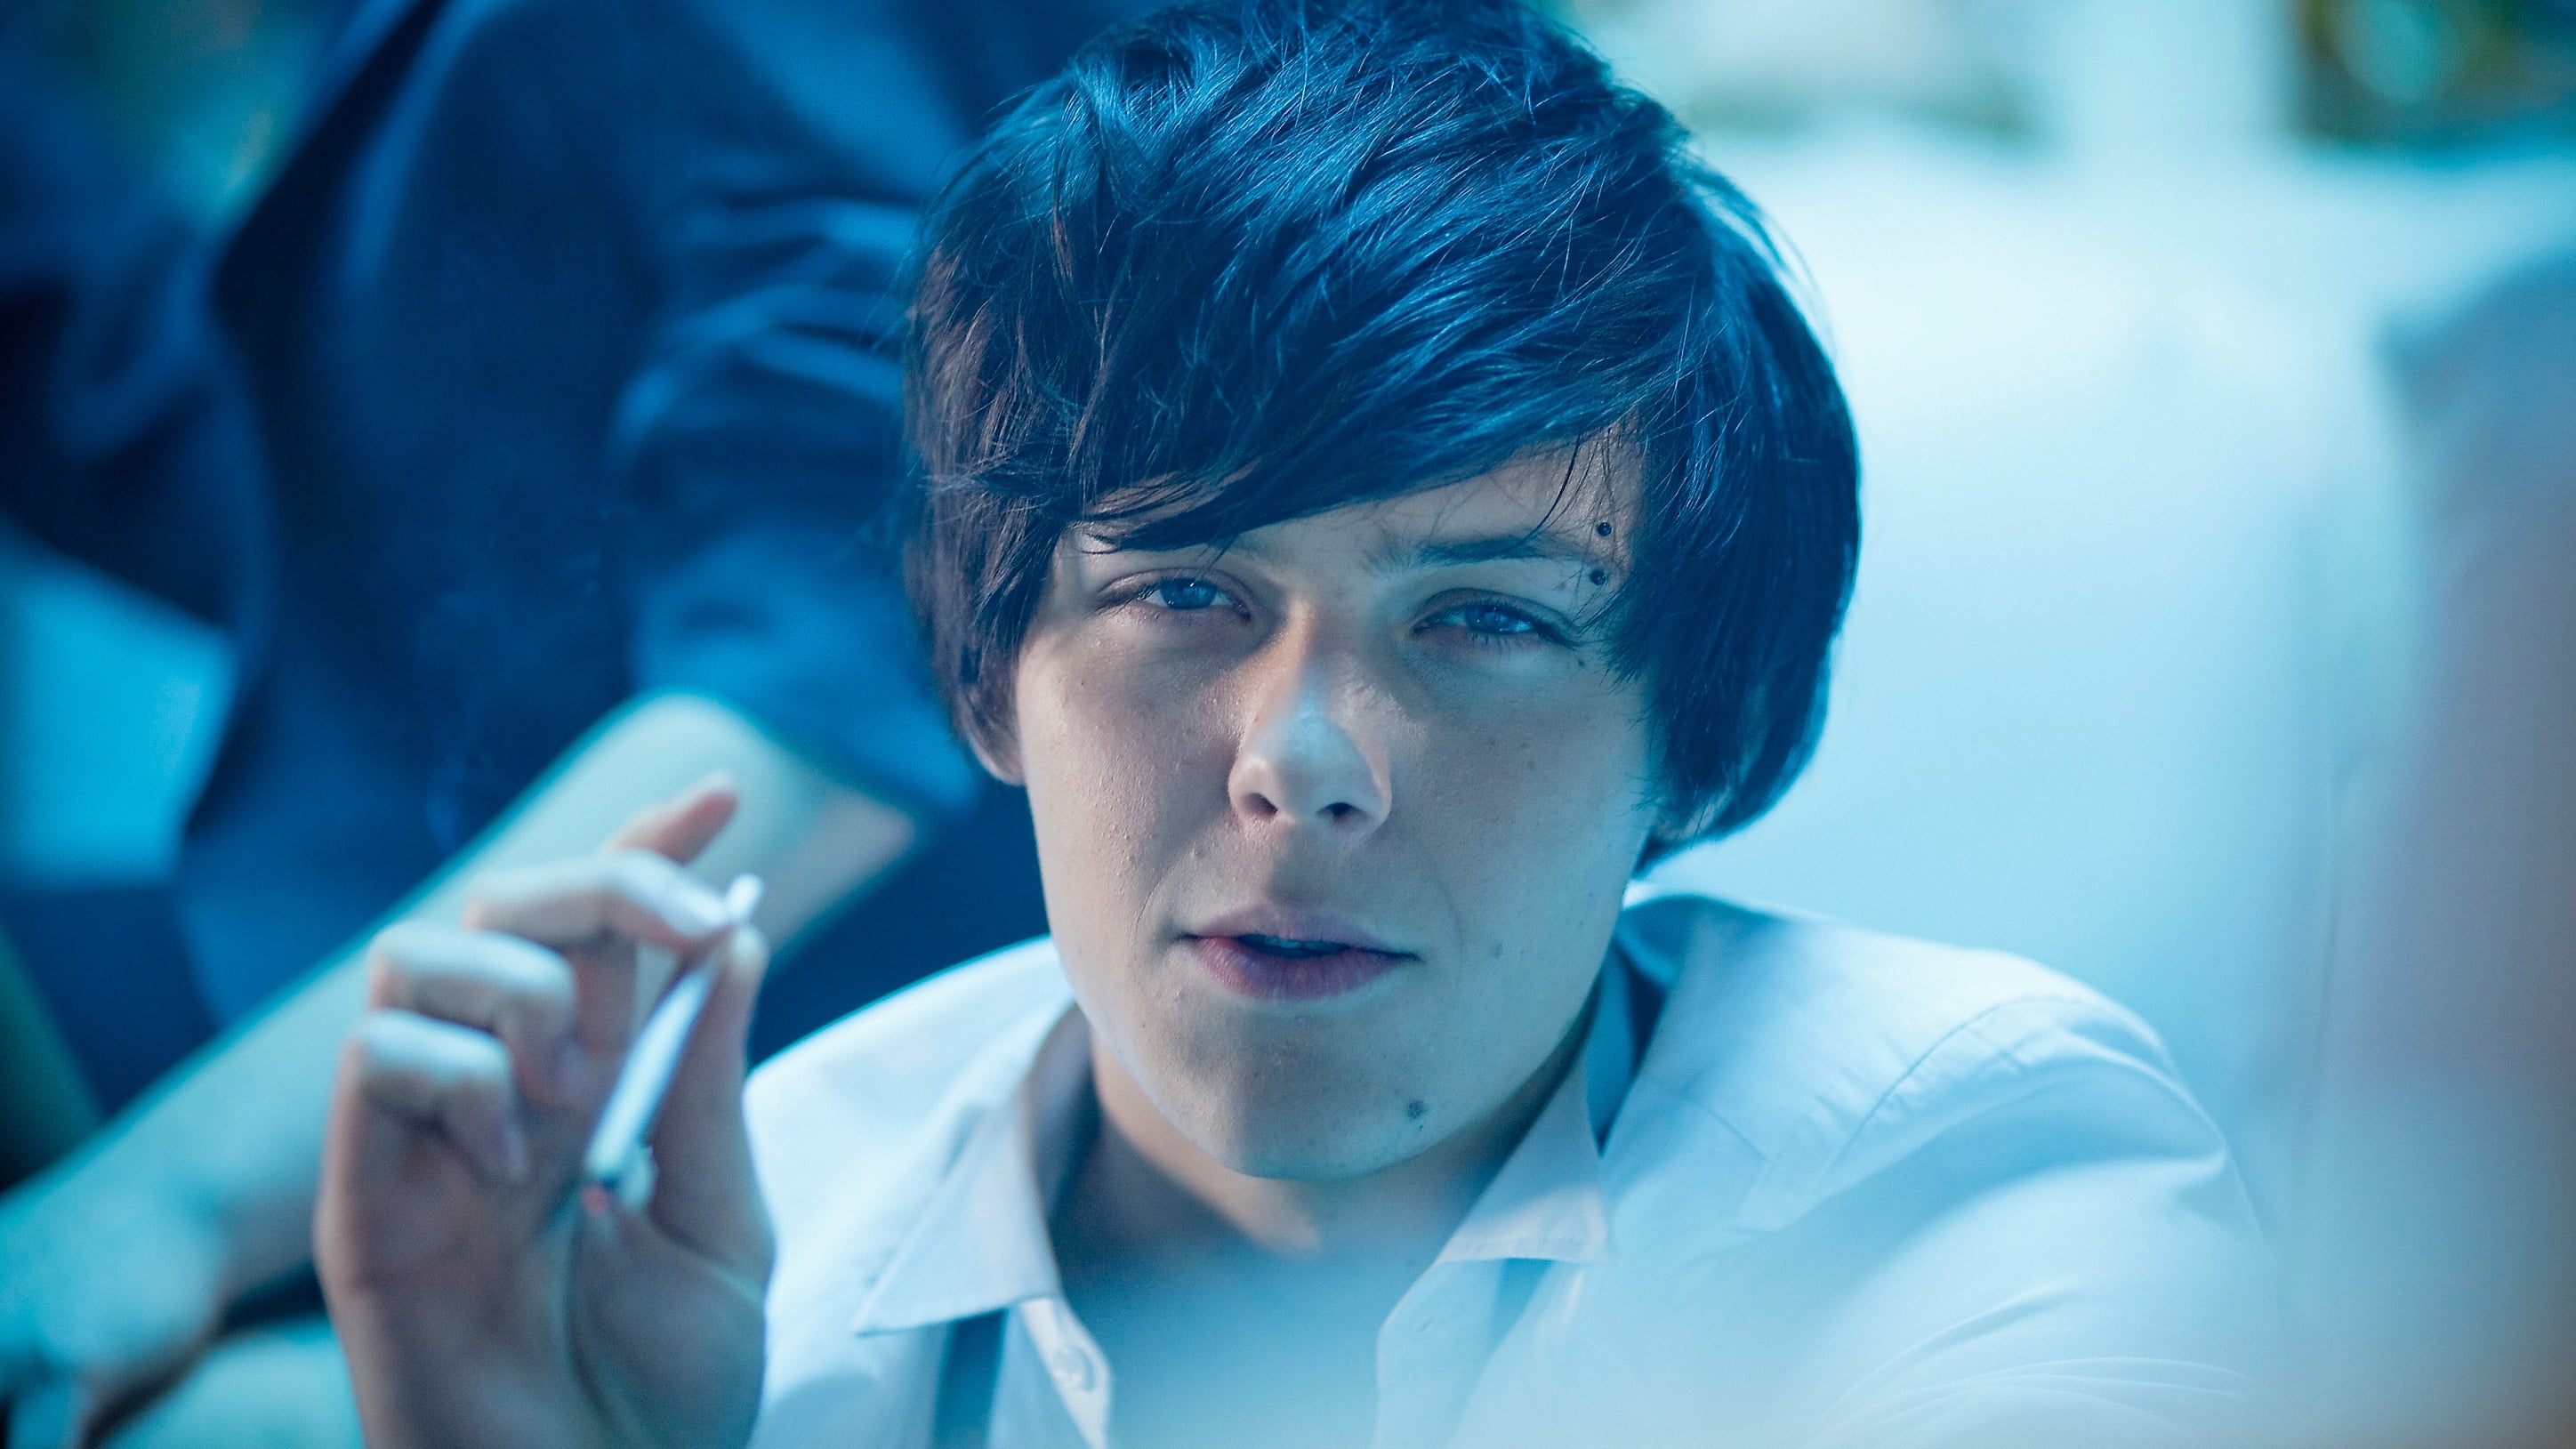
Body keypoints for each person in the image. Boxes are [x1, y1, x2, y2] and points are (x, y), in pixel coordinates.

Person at [314, 3, 2276, 1445]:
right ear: (990, 675)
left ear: (1696, 737)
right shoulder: (750, 1257)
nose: (1301, 761)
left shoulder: (1963, 1172)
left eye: (1486, 620)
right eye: (1185, 595)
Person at [0, 0, 1144, 1443]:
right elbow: (304, 481)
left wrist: (154, 1206)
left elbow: (838, 642)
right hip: (373, 933)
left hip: (761, 1138)